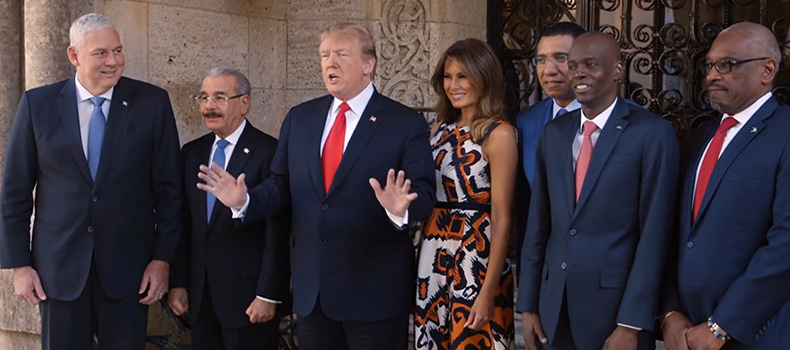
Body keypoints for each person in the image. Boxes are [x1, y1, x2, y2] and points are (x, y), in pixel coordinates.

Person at [194, 23, 436, 350]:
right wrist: (246, 200)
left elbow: (423, 195)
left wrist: (401, 209)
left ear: (368, 64)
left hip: (374, 295)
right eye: (325, 55)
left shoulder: (404, 123)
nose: (330, 63)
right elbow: (281, 185)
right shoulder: (301, 118)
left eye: (341, 55)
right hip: (313, 295)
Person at [0, 13, 181, 350]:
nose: (113, 61)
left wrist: (162, 260)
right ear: (74, 56)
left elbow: (170, 191)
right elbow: (14, 194)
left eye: (118, 51)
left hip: (130, 271)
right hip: (58, 270)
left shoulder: (152, 104)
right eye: (101, 53)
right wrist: (20, 266)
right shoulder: (37, 105)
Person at [517, 32, 679, 350]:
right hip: (553, 309)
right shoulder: (554, 134)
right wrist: (529, 303)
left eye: (591, 64)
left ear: (617, 70)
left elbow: (655, 235)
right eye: (574, 64)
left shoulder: (652, 133)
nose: (579, 72)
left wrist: (631, 323)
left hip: (615, 312)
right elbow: (538, 225)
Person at [660, 22, 790, 350]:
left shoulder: (785, 133)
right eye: (710, 64)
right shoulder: (700, 138)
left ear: (767, 69)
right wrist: (670, 311)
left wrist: (723, 326)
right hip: (687, 333)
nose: (712, 75)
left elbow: (786, 244)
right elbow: (677, 234)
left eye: (728, 65)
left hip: (758, 334)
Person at [167, 67, 290, 350]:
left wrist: (268, 294)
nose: (209, 106)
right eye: (204, 97)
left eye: (220, 97)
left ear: (244, 103)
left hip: (249, 299)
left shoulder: (270, 152)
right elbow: (185, 223)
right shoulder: (192, 153)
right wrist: (179, 282)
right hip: (200, 296)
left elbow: (278, 230)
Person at [413, 38, 517, 350]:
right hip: (433, 251)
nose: (452, 85)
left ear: (484, 78)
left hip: (477, 255)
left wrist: (488, 290)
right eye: (447, 76)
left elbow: (501, 217)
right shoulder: (437, 129)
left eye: (462, 76)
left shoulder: (499, 134)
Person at [516, 22, 586, 186]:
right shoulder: (527, 121)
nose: (548, 70)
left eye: (561, 58)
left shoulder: (624, 119)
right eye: (541, 60)